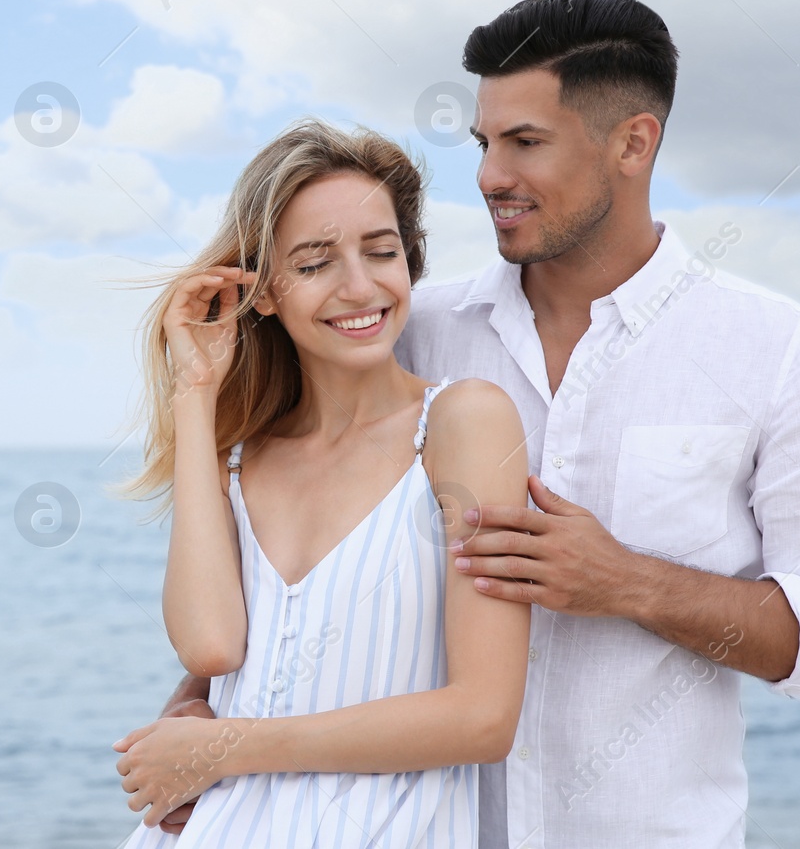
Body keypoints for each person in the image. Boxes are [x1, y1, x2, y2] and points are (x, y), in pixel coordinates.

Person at [152, 0, 800, 848]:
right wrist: (211, 710)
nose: (487, 176)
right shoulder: (413, 331)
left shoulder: (773, 350)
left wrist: (628, 582)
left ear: (633, 142)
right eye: (484, 142)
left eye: (525, 143)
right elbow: (310, 540)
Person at [113, 121, 531, 845]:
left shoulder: (464, 421)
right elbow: (211, 648)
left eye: (382, 251)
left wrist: (222, 748)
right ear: (265, 292)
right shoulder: (236, 456)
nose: (360, 286)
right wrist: (195, 395)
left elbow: (483, 717)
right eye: (315, 264)